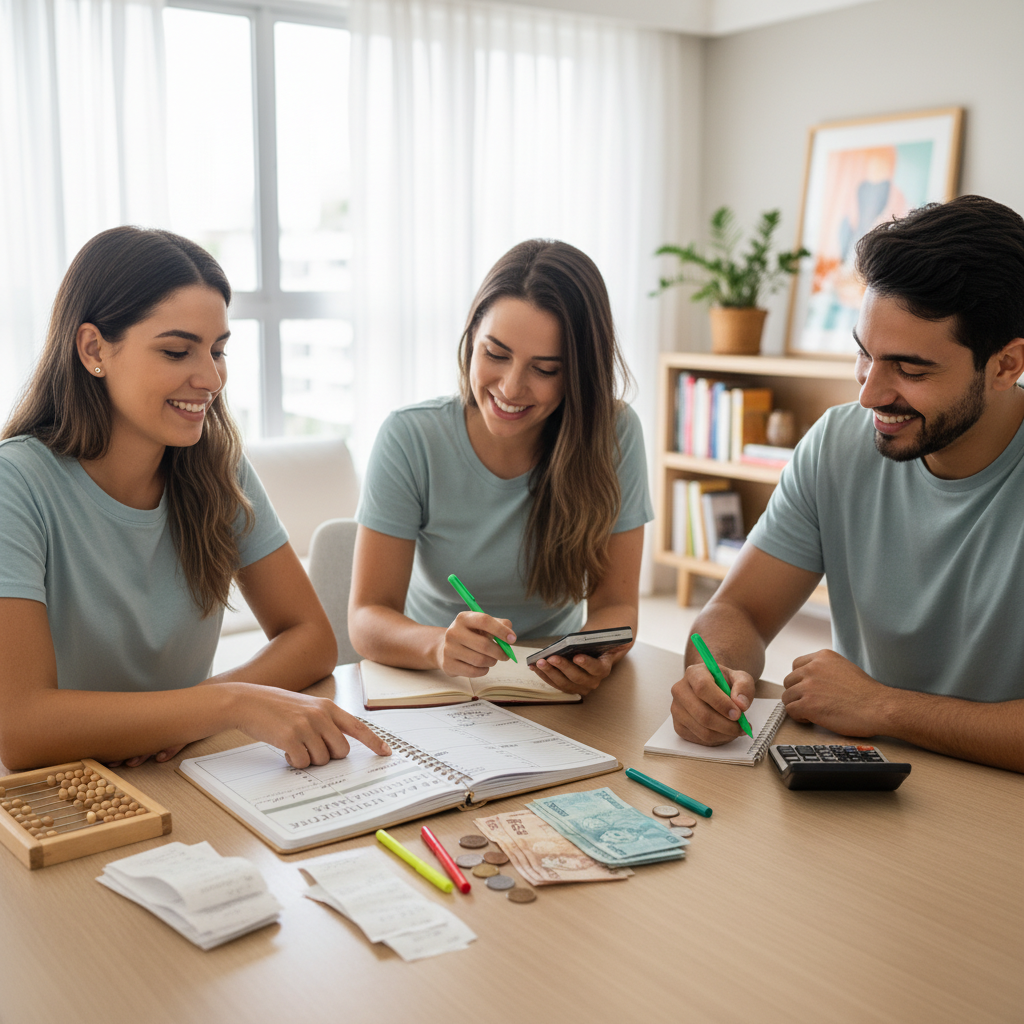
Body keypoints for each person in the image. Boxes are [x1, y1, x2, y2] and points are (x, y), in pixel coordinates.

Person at [0, 227, 389, 771]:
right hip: (63, 797)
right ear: (93, 349)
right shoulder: (15, 484)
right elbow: (22, 728)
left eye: (218, 350)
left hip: (181, 775)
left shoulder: (217, 465)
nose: (210, 378)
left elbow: (312, 639)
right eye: (178, 350)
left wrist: (203, 712)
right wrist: (221, 705)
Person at [670, 195, 1024, 774]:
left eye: (910, 370)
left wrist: (884, 706)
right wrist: (715, 675)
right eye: (865, 355)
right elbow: (739, 610)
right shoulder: (838, 443)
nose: (869, 395)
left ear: (1006, 365)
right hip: (859, 781)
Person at [349, 239, 653, 694]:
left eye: (545, 369)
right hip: (438, 682)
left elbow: (616, 606)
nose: (511, 387)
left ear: (578, 373)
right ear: (472, 337)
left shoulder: (614, 434)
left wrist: (593, 651)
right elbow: (367, 617)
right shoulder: (410, 436)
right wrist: (437, 647)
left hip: (553, 687)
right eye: (495, 354)